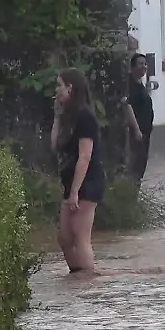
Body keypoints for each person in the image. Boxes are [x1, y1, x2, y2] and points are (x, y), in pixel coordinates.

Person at [52, 68, 107, 276]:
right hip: (71, 181)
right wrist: (57, 117)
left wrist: (75, 191)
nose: (56, 90)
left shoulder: (85, 117)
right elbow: (54, 145)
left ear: (70, 87)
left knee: (79, 235)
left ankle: (88, 281)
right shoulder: (68, 116)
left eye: (59, 85)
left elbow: (85, 156)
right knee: (65, 238)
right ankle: (78, 277)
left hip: (87, 181)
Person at [122, 53, 154, 185]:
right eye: (140, 64)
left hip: (145, 132)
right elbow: (127, 106)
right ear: (133, 67)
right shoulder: (130, 85)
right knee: (135, 167)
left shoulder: (140, 84)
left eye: (145, 64)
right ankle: (131, 192)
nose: (144, 66)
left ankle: (135, 191)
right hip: (136, 133)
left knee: (140, 166)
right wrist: (136, 130)